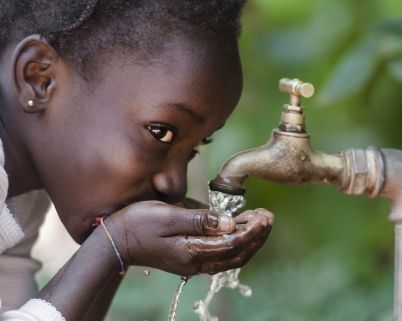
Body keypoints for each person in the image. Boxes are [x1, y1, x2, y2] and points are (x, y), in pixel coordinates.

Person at [0, 1, 275, 320]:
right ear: (39, 78)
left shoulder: (19, 195)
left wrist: (119, 246)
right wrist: (115, 245)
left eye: (195, 148)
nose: (174, 185)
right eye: (161, 132)